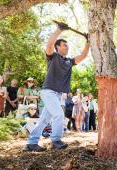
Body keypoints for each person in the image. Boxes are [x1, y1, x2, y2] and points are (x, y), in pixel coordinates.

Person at [23, 22, 89, 152]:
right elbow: (48, 45)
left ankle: (31, 143)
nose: (67, 47)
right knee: (59, 114)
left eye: (67, 46)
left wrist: (88, 42)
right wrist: (59, 30)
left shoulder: (69, 61)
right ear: (58, 47)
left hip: (58, 94)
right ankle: (56, 140)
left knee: (44, 119)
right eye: (64, 45)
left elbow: (83, 56)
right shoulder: (52, 57)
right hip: (48, 92)